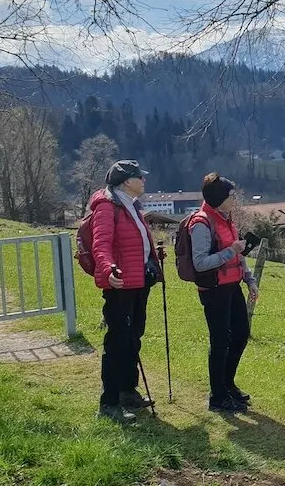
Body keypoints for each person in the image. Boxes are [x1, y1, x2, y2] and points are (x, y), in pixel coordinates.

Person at [89, 159, 164, 423]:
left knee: (134, 337)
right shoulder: (107, 206)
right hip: (120, 283)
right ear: (125, 181)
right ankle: (108, 403)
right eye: (139, 177)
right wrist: (109, 269)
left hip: (139, 281)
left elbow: (137, 242)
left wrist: (153, 257)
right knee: (117, 341)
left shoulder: (131, 206)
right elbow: (101, 243)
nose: (143, 180)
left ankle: (127, 391)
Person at [187, 172, 259, 413]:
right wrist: (230, 251)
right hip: (214, 290)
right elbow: (200, 263)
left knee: (240, 335)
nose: (234, 199)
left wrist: (249, 280)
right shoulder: (201, 223)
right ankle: (217, 397)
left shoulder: (227, 218)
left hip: (232, 285)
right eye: (230, 195)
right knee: (220, 342)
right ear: (219, 197)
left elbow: (239, 253)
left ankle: (227, 385)